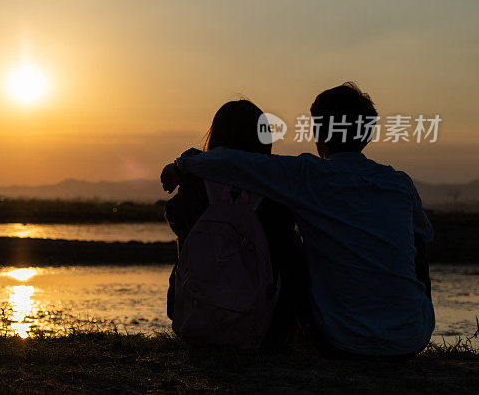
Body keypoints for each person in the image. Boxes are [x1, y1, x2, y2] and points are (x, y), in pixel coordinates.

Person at [161, 83, 434, 359]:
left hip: (341, 340)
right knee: (416, 243)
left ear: (320, 132)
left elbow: (234, 162)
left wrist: (181, 165)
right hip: (410, 340)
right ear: (368, 134)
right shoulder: (400, 184)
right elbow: (421, 244)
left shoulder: (307, 175)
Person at [164, 100, 305, 350]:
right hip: (263, 329)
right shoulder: (275, 191)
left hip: (193, 320)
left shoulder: (196, 183)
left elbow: (174, 214)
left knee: (188, 239)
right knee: (294, 245)